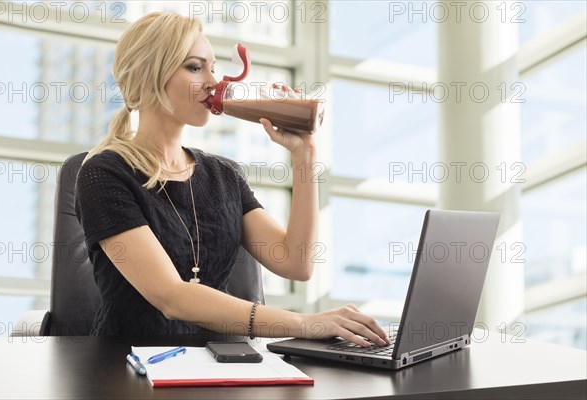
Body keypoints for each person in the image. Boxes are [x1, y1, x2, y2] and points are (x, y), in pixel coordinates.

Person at [75, 11, 388, 347]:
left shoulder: (222, 175)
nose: (214, 82)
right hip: (130, 368)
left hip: (221, 360)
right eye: (195, 67)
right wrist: (304, 323)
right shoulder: (104, 174)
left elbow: (296, 261)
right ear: (148, 76)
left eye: (213, 67)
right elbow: (171, 297)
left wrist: (304, 155)